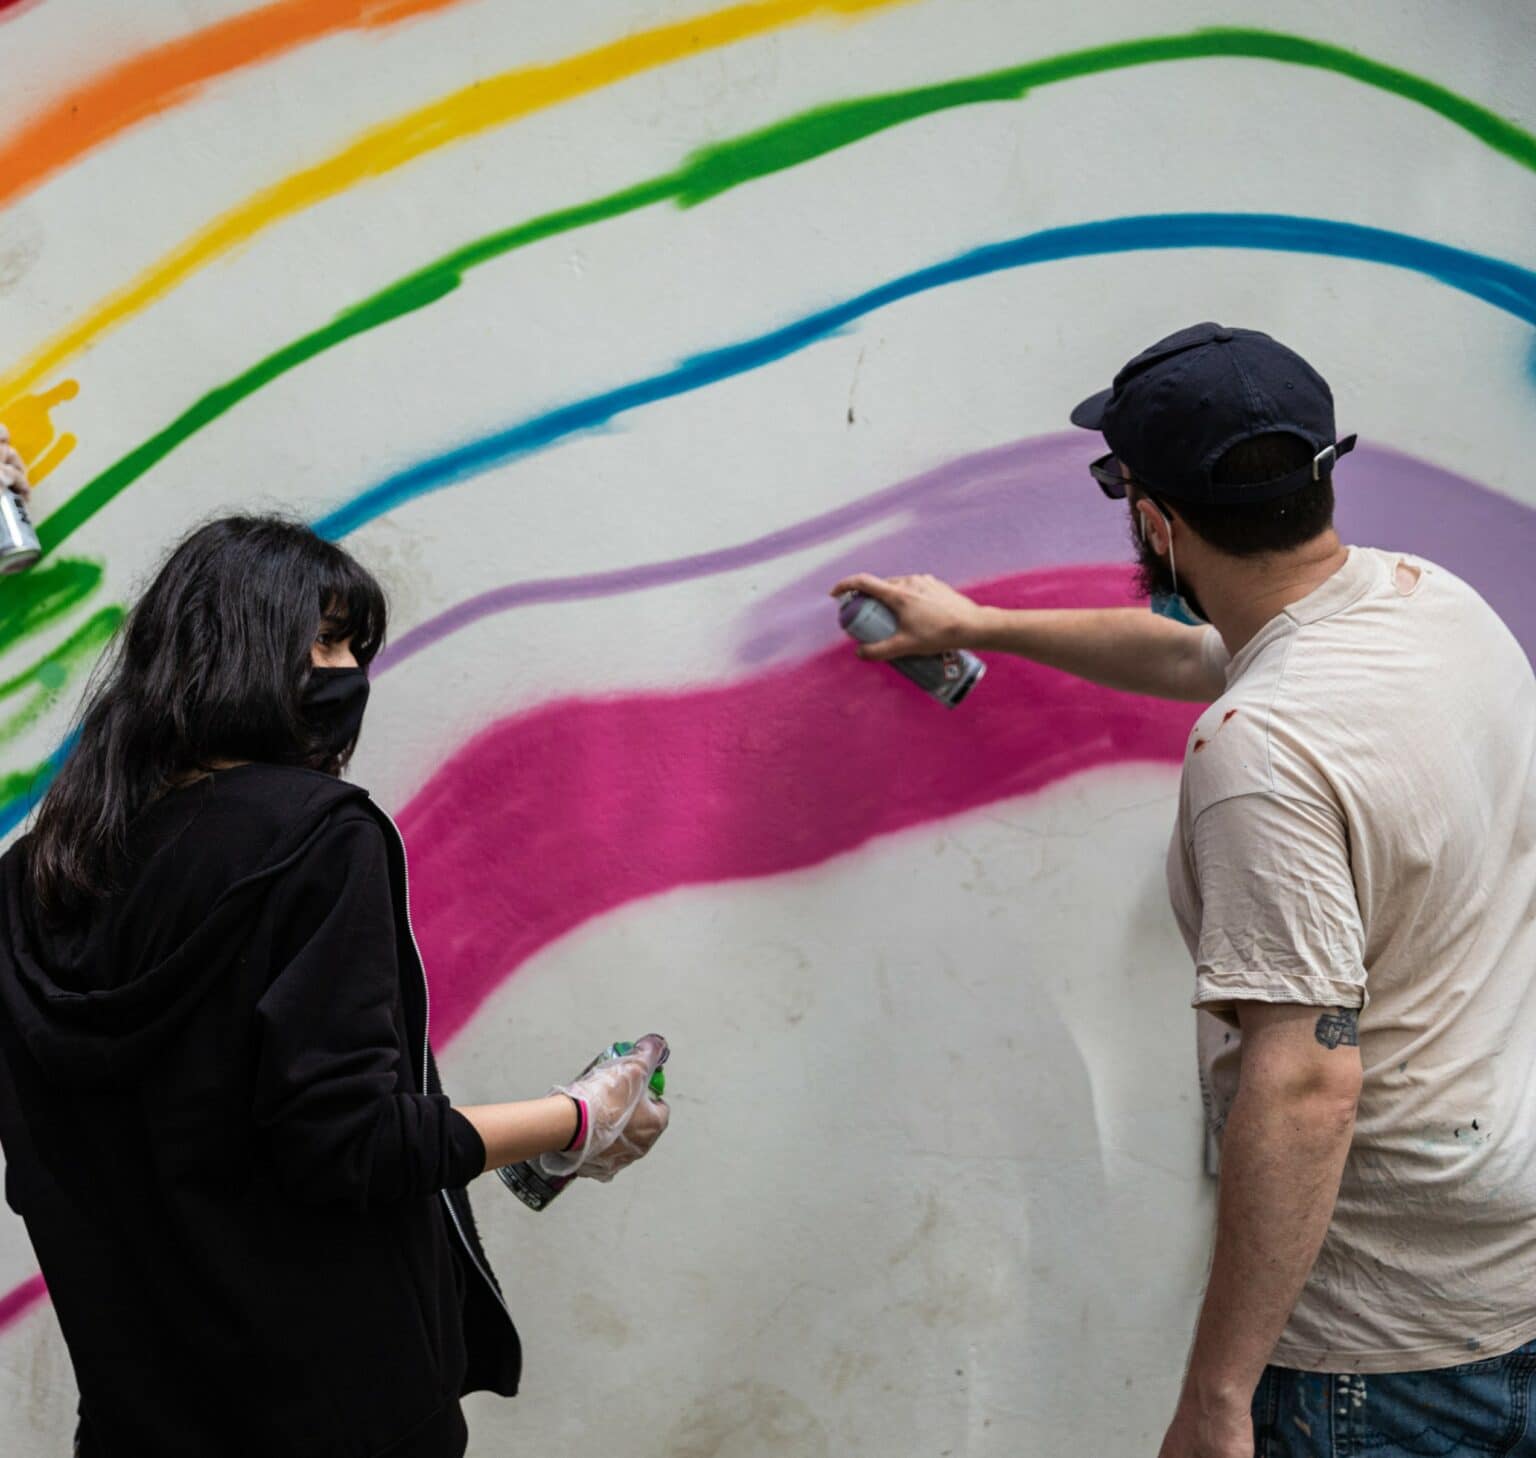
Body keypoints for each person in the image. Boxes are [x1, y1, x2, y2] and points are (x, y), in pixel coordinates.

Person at [833, 322, 1536, 1458]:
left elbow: (1306, 1079)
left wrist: (1216, 1399)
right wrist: (981, 625)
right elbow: (1205, 652)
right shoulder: (1431, 606)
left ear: (1156, 521)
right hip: (1506, 1259)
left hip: (1382, 1346)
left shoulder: (1261, 748)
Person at [0, 493, 672, 1457]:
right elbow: (347, 1143)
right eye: (323, 642)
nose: (349, 673)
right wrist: (579, 1119)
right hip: (337, 1419)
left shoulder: (29, 880)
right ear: (230, 650)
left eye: (358, 649)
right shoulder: (318, 836)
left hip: (133, 1424)